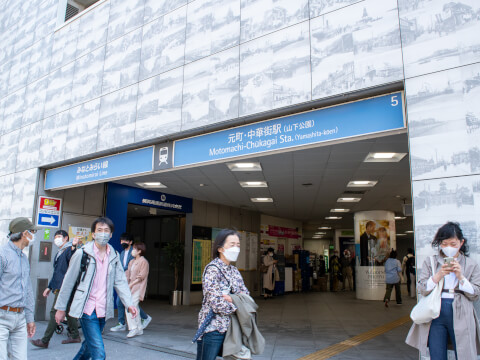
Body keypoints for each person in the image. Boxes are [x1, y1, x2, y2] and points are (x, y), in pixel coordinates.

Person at [54, 217, 137, 360]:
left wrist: (129, 304)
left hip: (103, 308)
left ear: (111, 235)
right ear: (93, 234)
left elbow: (120, 282)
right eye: (99, 230)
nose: (103, 234)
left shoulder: (114, 256)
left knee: (88, 347)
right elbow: (68, 282)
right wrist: (61, 308)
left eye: (106, 231)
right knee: (99, 353)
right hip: (87, 308)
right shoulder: (82, 254)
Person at [406, 222, 480, 360]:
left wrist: (460, 277)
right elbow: (422, 289)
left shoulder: (470, 264)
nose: (448, 248)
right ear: (439, 243)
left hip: (462, 309)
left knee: (464, 353)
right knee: (437, 353)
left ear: (461, 242)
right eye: (444, 244)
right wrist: (438, 275)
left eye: (453, 244)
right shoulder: (431, 262)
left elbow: (475, 294)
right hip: (436, 311)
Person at [195, 229, 249, 360]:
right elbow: (217, 303)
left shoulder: (234, 271)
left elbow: (246, 296)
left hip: (232, 328)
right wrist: (237, 304)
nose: (236, 248)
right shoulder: (212, 270)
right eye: (232, 244)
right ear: (220, 248)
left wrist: (231, 299)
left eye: (238, 245)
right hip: (213, 328)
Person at [31, 230, 81, 348]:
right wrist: (49, 287)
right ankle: (74, 335)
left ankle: (45, 340)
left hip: (65, 287)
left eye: (59, 237)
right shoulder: (60, 251)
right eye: (55, 237)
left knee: (55, 311)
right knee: (68, 311)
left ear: (66, 238)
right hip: (60, 286)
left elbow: (73, 257)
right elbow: (57, 272)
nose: (56, 239)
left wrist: (74, 246)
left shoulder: (69, 250)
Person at [0, 217, 37, 360]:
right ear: (25, 233)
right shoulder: (2, 255)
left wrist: (29, 318)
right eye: (33, 232)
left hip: (20, 318)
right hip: (2, 316)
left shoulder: (23, 258)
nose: (34, 236)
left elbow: (27, 289)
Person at [110, 233, 151, 332]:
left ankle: (128, 324)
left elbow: (130, 269)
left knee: (127, 303)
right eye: (121, 241)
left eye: (125, 241)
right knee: (124, 302)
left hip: (132, 283)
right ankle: (130, 322)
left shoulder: (134, 255)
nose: (122, 243)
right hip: (124, 281)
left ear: (131, 242)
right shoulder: (122, 253)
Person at [124, 242, 149, 338]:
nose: (132, 251)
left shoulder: (144, 262)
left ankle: (133, 328)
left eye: (134, 249)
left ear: (139, 251)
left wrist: (131, 284)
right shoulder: (132, 261)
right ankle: (139, 328)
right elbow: (127, 275)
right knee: (135, 308)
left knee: (130, 307)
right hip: (130, 287)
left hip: (138, 287)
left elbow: (141, 276)